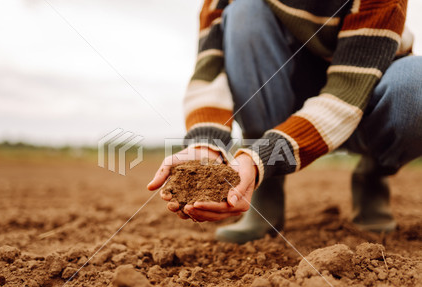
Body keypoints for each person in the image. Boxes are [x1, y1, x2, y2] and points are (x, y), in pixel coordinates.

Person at [147, 0, 422, 244]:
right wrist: (206, 144)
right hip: (287, 90)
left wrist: (263, 157)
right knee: (244, 10)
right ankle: (265, 188)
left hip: (364, 94)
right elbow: (210, 70)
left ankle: (374, 172)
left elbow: (346, 93)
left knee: (416, 84)